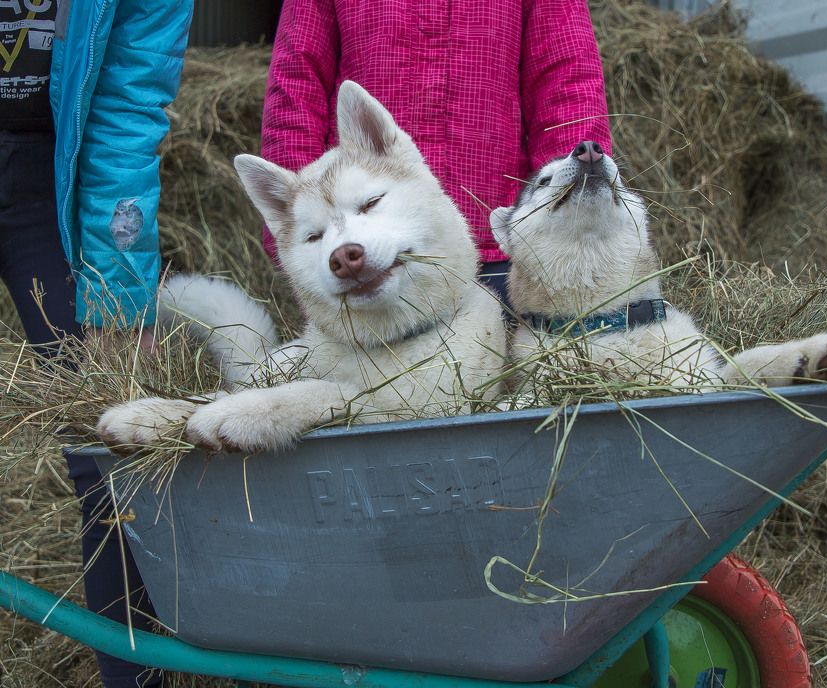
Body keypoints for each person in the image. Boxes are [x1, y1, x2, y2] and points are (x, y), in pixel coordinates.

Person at [1, 1, 193, 686]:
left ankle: (132, 678)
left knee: (110, 441)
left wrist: (119, 292)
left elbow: (127, 102)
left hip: (54, 169)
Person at [260, 0, 613, 303]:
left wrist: (570, 214)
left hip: (498, 246)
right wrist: (308, 233)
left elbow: (565, 77)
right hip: (362, 248)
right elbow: (296, 84)